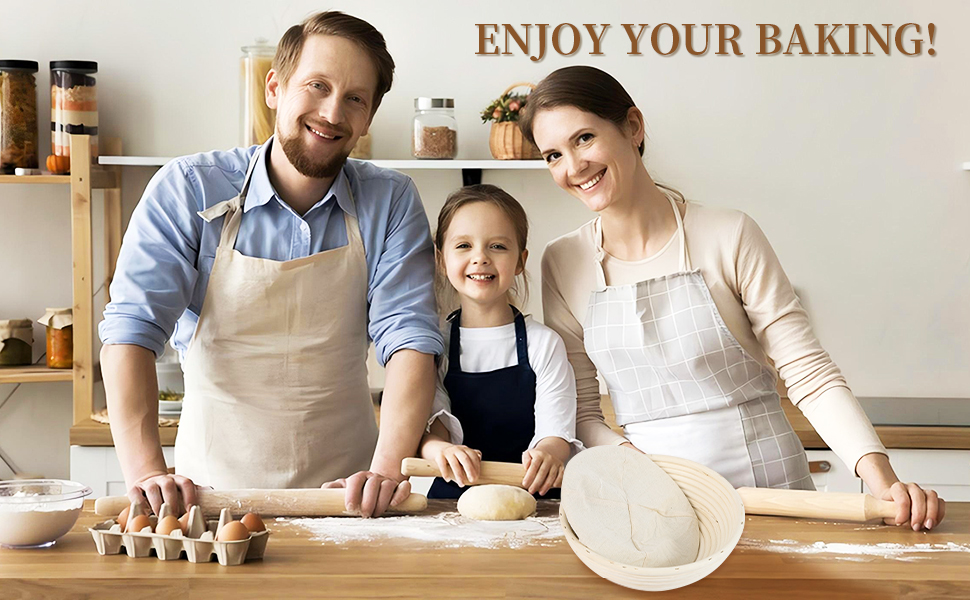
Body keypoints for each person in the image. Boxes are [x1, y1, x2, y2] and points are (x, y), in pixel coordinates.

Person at [519, 65, 945, 530]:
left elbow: (809, 373)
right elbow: (581, 410)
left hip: (772, 493)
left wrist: (882, 480)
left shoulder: (728, 233)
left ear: (633, 127)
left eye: (584, 139)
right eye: (553, 155)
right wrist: (639, 466)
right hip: (659, 503)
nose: (573, 167)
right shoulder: (562, 260)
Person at [99, 11, 443, 518]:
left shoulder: (389, 200)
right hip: (210, 499)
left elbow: (410, 338)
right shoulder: (189, 188)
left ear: (368, 118)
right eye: (317, 86)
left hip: (348, 498)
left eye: (354, 98)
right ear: (275, 87)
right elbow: (131, 330)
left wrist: (388, 468)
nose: (331, 112)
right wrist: (148, 472)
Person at [418, 184, 582, 499]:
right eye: (464, 245)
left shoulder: (544, 344)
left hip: (536, 498)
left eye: (497, 246)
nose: (480, 258)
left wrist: (549, 454)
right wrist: (439, 450)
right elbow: (432, 430)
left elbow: (557, 432)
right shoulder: (434, 344)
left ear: (520, 261)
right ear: (441, 259)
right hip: (454, 502)